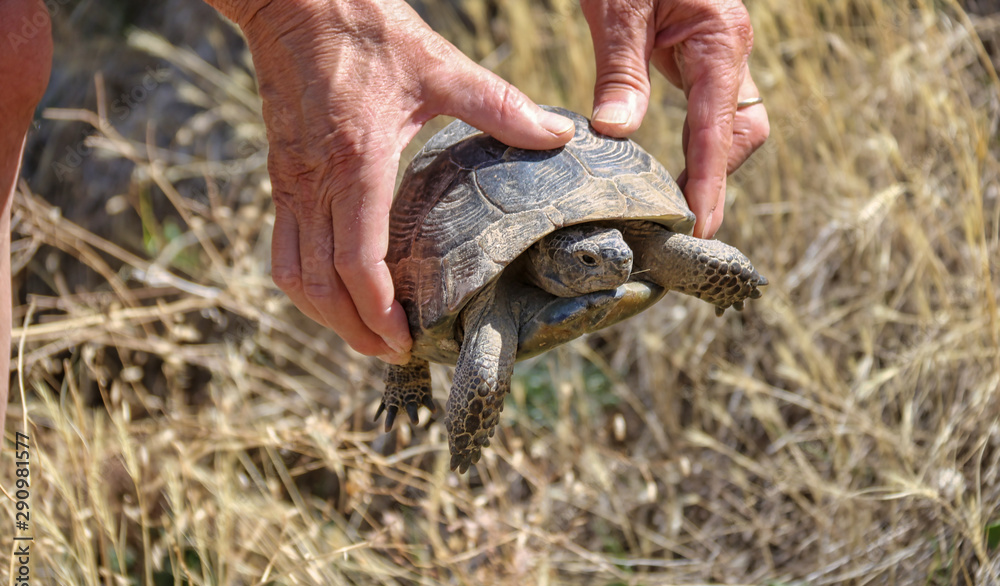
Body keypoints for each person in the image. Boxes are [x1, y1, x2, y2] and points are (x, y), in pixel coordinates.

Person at [0, 0, 768, 421]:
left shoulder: (630, 251)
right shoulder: (495, 309)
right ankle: (408, 379)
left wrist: (720, 273)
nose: (611, 264)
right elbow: (485, 343)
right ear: (547, 261)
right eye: (587, 259)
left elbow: (656, 252)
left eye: (605, 255)